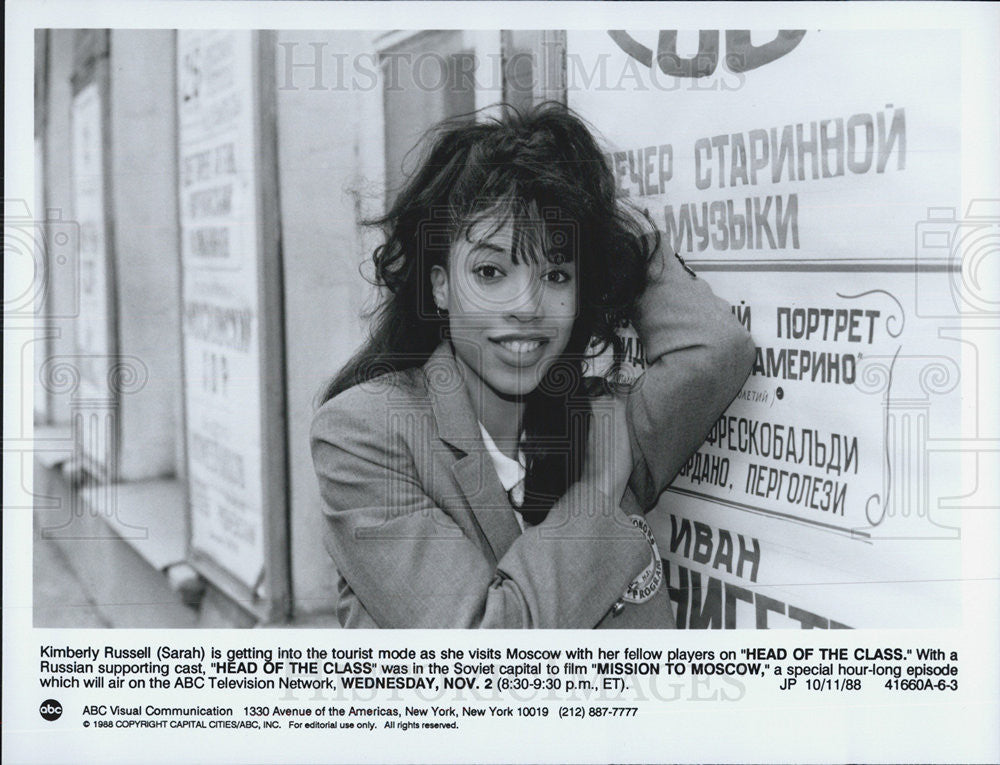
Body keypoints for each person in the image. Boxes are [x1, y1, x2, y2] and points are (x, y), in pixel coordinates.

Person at [310, 103, 755, 628]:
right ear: (441, 285)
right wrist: (595, 494)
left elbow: (715, 350)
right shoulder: (366, 434)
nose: (527, 306)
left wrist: (616, 236)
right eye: (492, 271)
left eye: (557, 274)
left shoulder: (600, 422)